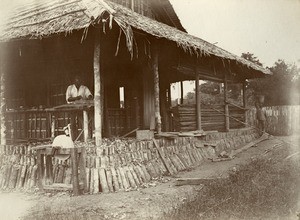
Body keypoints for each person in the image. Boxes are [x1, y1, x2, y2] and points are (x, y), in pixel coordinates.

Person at [66, 74, 93, 140]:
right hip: (72, 108)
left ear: (81, 81)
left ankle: (85, 138)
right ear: (74, 81)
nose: (77, 82)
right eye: (76, 80)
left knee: (83, 123)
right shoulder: (70, 88)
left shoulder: (84, 88)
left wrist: (88, 98)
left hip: (81, 108)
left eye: (79, 80)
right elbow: (68, 99)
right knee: (73, 124)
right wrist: (76, 98)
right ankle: (73, 139)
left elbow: (89, 95)